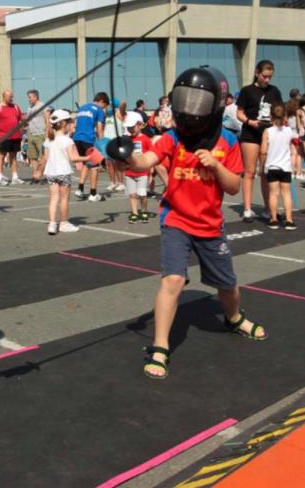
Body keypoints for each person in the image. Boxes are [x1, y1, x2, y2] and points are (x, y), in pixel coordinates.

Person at [112, 67, 263, 380]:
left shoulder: (228, 141)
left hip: (210, 226)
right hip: (176, 219)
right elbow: (146, 161)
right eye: (186, 100)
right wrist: (126, 156)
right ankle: (160, 345)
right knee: (173, 281)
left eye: (199, 102)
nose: (191, 108)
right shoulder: (171, 138)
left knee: (227, 286)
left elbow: (234, 186)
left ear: (214, 105)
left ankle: (234, 318)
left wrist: (217, 165)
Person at [236, 60, 283, 221]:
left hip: (268, 135)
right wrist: (250, 122)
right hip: (250, 134)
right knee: (249, 171)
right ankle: (247, 208)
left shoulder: (274, 91)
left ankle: (267, 207)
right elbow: (239, 113)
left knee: (265, 172)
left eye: (269, 77)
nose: (267, 80)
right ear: (257, 73)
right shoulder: (247, 91)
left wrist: (277, 123)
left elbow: (279, 112)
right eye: (264, 76)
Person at [42, 109, 88, 234]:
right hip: (63, 172)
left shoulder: (48, 140)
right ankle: (63, 223)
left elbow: (45, 158)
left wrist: (38, 170)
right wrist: (88, 157)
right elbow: (73, 158)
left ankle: (52, 224)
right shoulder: (67, 140)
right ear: (63, 124)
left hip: (51, 172)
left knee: (53, 198)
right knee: (64, 199)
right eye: (69, 122)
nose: (71, 124)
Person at [259, 104, 297, 230]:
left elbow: (264, 150)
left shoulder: (268, 131)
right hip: (285, 166)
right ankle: (289, 220)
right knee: (286, 193)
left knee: (273, 194)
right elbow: (293, 145)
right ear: (285, 116)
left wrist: (262, 165)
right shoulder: (288, 131)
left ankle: (274, 219)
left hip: (272, 166)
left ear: (271, 117)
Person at [72, 92, 108, 201]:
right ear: (101, 101)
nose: (104, 108)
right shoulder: (98, 110)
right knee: (95, 166)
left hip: (77, 138)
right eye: (105, 106)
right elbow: (100, 127)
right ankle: (93, 193)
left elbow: (76, 124)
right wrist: (102, 143)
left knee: (86, 164)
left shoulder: (82, 108)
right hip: (88, 138)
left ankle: (80, 189)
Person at [122, 111, 153, 223]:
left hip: (143, 173)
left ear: (140, 124)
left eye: (132, 127)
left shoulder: (145, 139)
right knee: (132, 194)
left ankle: (144, 210)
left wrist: (151, 173)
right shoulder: (127, 139)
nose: (130, 130)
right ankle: (134, 212)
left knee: (142, 195)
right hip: (129, 172)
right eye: (128, 128)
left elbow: (151, 156)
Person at [0, 90, 24, 184]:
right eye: (9, 96)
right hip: (3, 137)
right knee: (2, 156)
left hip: (16, 136)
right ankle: (0, 177)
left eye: (12, 96)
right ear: (4, 96)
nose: (11, 98)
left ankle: (15, 177)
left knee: (13, 157)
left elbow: (21, 119)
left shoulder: (16, 107)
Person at [25, 89, 49, 184]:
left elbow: (47, 120)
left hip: (41, 134)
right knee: (33, 157)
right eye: (28, 97)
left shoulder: (43, 106)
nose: (29, 99)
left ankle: (44, 175)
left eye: (30, 97)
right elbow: (28, 121)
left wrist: (47, 135)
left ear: (35, 97)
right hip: (31, 134)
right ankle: (36, 176)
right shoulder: (29, 108)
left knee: (43, 157)